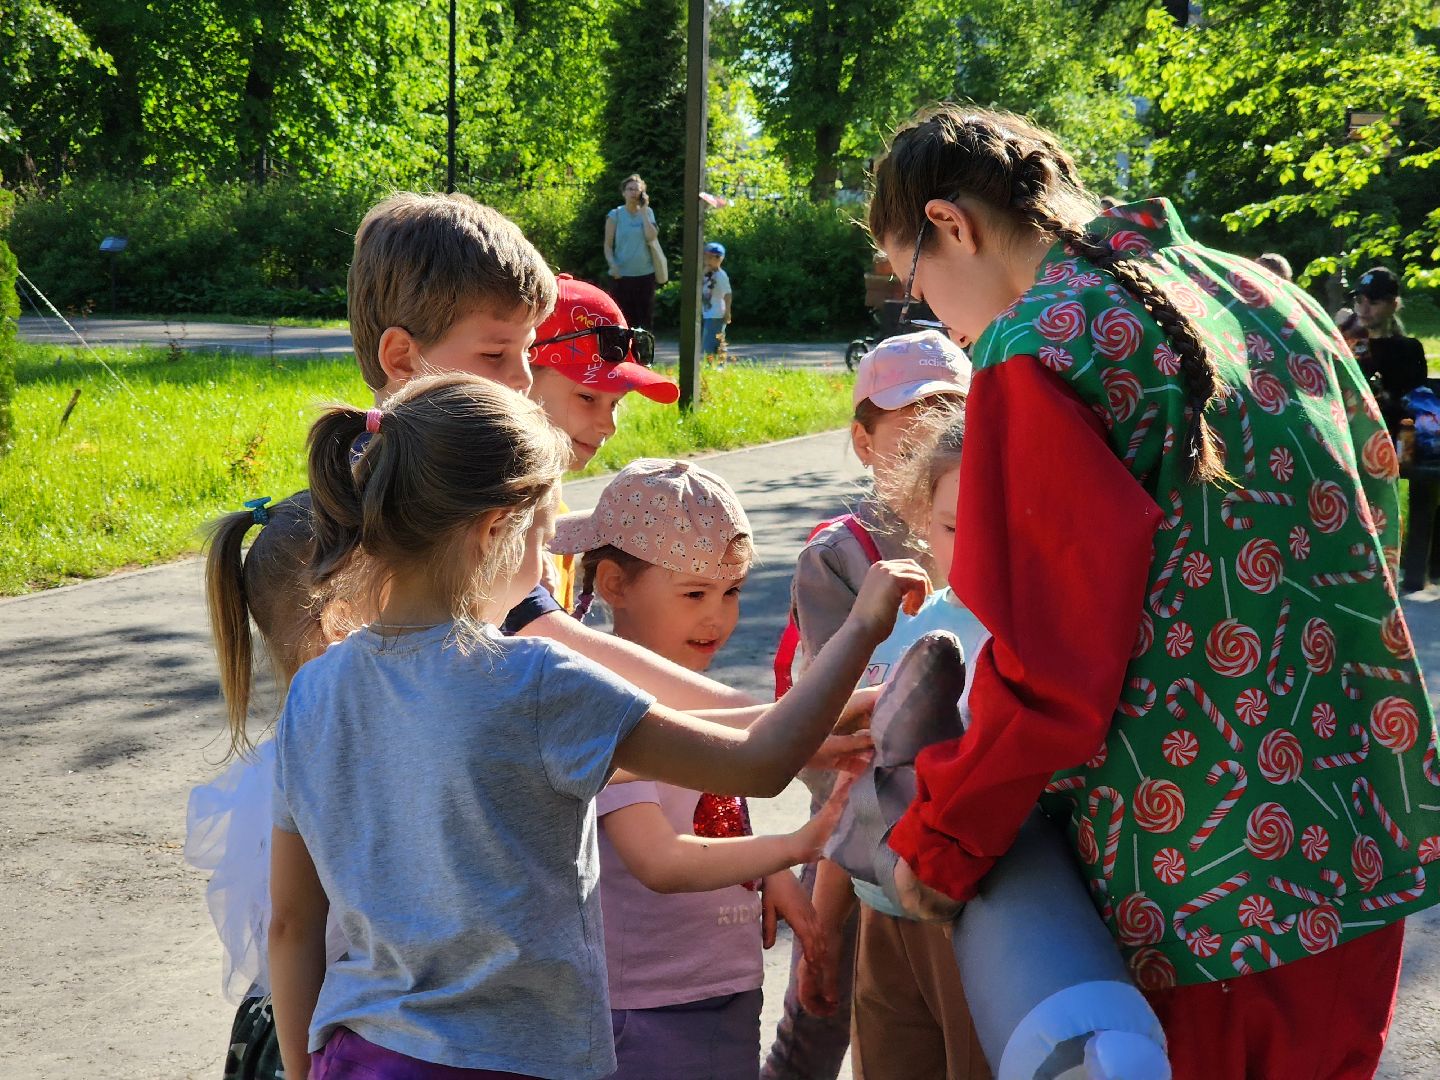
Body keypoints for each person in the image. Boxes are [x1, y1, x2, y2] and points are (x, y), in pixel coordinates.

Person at [867, 104, 1439, 1077]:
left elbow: (1052, 666)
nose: (931, 315)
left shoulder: (1037, 349)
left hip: (1197, 885)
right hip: (1360, 850)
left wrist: (942, 841)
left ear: (949, 225)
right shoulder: (1267, 294)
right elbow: (1373, 516)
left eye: (911, 279)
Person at [267, 373, 930, 1079]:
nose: (549, 563)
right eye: (544, 533)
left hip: (362, 1057)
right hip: (515, 1061)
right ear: (497, 529)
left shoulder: (316, 691)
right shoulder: (534, 681)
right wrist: (864, 624)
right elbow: (756, 762)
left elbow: (291, 925)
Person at [346, 190, 754, 711]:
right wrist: (749, 719)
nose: (519, 379)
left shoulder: (398, 481)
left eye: (525, 349)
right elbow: (548, 642)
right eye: (497, 354)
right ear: (402, 358)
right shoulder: (446, 505)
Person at [552, 458, 854, 1079]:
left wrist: (776, 880)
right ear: (613, 585)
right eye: (694, 593)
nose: (719, 618)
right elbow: (658, 859)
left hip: (717, 986)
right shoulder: (611, 703)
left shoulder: (695, 696)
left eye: (732, 591)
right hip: (646, 1007)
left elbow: (716, 817)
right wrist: (796, 844)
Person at [763, 329, 969, 1080]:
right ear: (862, 440)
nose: (932, 445)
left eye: (952, 421)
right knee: (823, 996)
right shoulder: (841, 552)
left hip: (938, 817)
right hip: (852, 807)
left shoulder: (979, 525)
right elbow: (838, 702)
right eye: (912, 427)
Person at [799, 401, 991, 1080]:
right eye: (949, 527)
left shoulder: (1036, 639)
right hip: (883, 917)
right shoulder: (911, 627)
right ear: (918, 518)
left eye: (997, 526)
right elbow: (862, 781)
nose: (972, 550)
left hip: (976, 925)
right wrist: (823, 928)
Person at [185, 492, 348, 1080]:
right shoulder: (333, 755)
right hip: (317, 1033)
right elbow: (290, 924)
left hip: (280, 1020)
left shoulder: (290, 749)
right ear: (340, 621)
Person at [528, 273, 679, 609]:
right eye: (586, 397)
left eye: (615, 403)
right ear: (517, 377)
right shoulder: (481, 522)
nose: (608, 425)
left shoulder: (555, 513)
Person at [1336, 266, 1427, 432]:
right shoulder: (1347, 344)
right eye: (1359, 301)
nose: (1363, 310)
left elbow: (1412, 403)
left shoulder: (1408, 349)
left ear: (1393, 305)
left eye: (1373, 302)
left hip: (1394, 436)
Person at [604, 174, 661, 332]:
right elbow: (608, 245)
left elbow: (652, 236)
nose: (634, 192)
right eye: (630, 189)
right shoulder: (614, 215)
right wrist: (612, 265)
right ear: (623, 192)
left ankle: (643, 354)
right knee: (623, 320)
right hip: (622, 276)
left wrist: (643, 211)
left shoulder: (648, 213)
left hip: (645, 275)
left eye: (637, 189)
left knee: (645, 320)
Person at [702, 241, 733, 362]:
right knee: (714, 341)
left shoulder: (721, 275)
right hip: (708, 313)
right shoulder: (706, 273)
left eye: (711, 257)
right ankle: (718, 364)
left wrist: (727, 312)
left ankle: (713, 365)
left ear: (719, 259)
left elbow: (728, 294)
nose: (707, 259)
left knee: (710, 343)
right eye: (706, 256)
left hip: (717, 314)